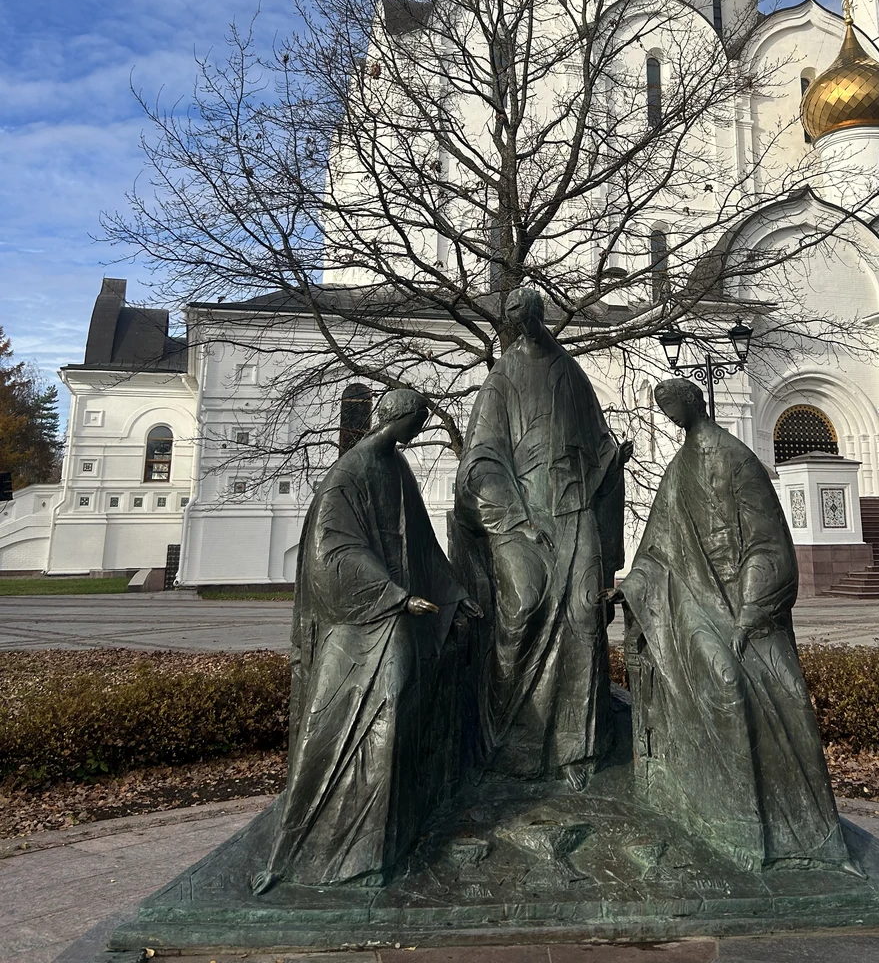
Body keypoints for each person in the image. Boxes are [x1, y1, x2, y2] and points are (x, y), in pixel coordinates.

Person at [614, 377, 854, 873]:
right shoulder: (679, 468)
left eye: (671, 405)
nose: (668, 415)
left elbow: (766, 541)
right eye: (662, 408)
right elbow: (657, 543)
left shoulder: (736, 458)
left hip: (745, 604)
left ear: (692, 402)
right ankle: (727, 815)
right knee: (719, 678)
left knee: (767, 689)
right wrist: (632, 585)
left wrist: (750, 612)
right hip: (692, 599)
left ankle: (794, 830)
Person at [252, 388, 480, 892]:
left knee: (400, 704)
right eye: (417, 421)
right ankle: (307, 848)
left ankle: (380, 846)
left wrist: (453, 593)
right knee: (335, 724)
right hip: (359, 622)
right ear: (397, 418)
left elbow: (422, 542)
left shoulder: (398, 470)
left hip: (396, 616)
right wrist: (394, 596)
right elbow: (332, 554)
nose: (420, 430)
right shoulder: (346, 476)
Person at [452, 288, 628, 791]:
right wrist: (516, 517)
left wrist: (611, 461)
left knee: (585, 612)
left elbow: (597, 441)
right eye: (516, 319)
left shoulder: (570, 372)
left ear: (538, 318)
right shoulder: (502, 378)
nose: (523, 326)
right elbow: (482, 456)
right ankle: (510, 743)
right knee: (523, 605)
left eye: (528, 317)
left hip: (575, 507)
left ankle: (578, 749)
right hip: (521, 512)